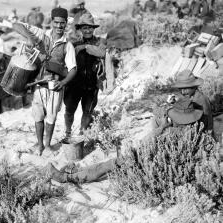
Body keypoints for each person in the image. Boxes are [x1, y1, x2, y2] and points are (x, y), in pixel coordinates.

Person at [48, 98, 205, 183]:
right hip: (157, 164)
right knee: (109, 165)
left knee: (107, 166)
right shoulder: (192, 131)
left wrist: (162, 127)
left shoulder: (173, 132)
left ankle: (67, 178)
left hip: (150, 164)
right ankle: (77, 173)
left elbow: (146, 142)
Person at [12, 7, 77, 155]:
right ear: (52, 21)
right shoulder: (41, 35)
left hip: (55, 87)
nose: (59, 26)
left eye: (62, 23)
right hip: (38, 85)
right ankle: (40, 145)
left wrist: (63, 82)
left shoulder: (68, 45)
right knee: (38, 116)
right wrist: (30, 38)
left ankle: (48, 145)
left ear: (66, 24)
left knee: (51, 118)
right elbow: (16, 25)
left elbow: (73, 69)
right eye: (56, 22)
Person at [63, 13, 106, 140]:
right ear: (80, 29)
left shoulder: (100, 42)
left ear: (94, 29)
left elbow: (102, 53)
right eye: (84, 27)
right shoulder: (72, 43)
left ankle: (83, 135)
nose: (87, 30)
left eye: (90, 27)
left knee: (87, 112)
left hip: (92, 84)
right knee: (69, 110)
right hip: (74, 84)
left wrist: (85, 47)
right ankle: (67, 133)